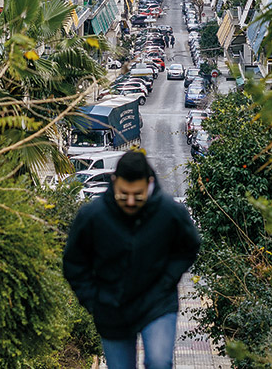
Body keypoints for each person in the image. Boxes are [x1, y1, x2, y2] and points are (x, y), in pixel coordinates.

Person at [62, 151, 201, 369]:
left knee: (159, 362)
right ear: (114, 182)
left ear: (149, 183)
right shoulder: (93, 216)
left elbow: (190, 246)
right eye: (123, 194)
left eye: (137, 195)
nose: (129, 201)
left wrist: (167, 279)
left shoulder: (169, 212)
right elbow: (74, 262)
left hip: (157, 303)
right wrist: (93, 301)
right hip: (111, 308)